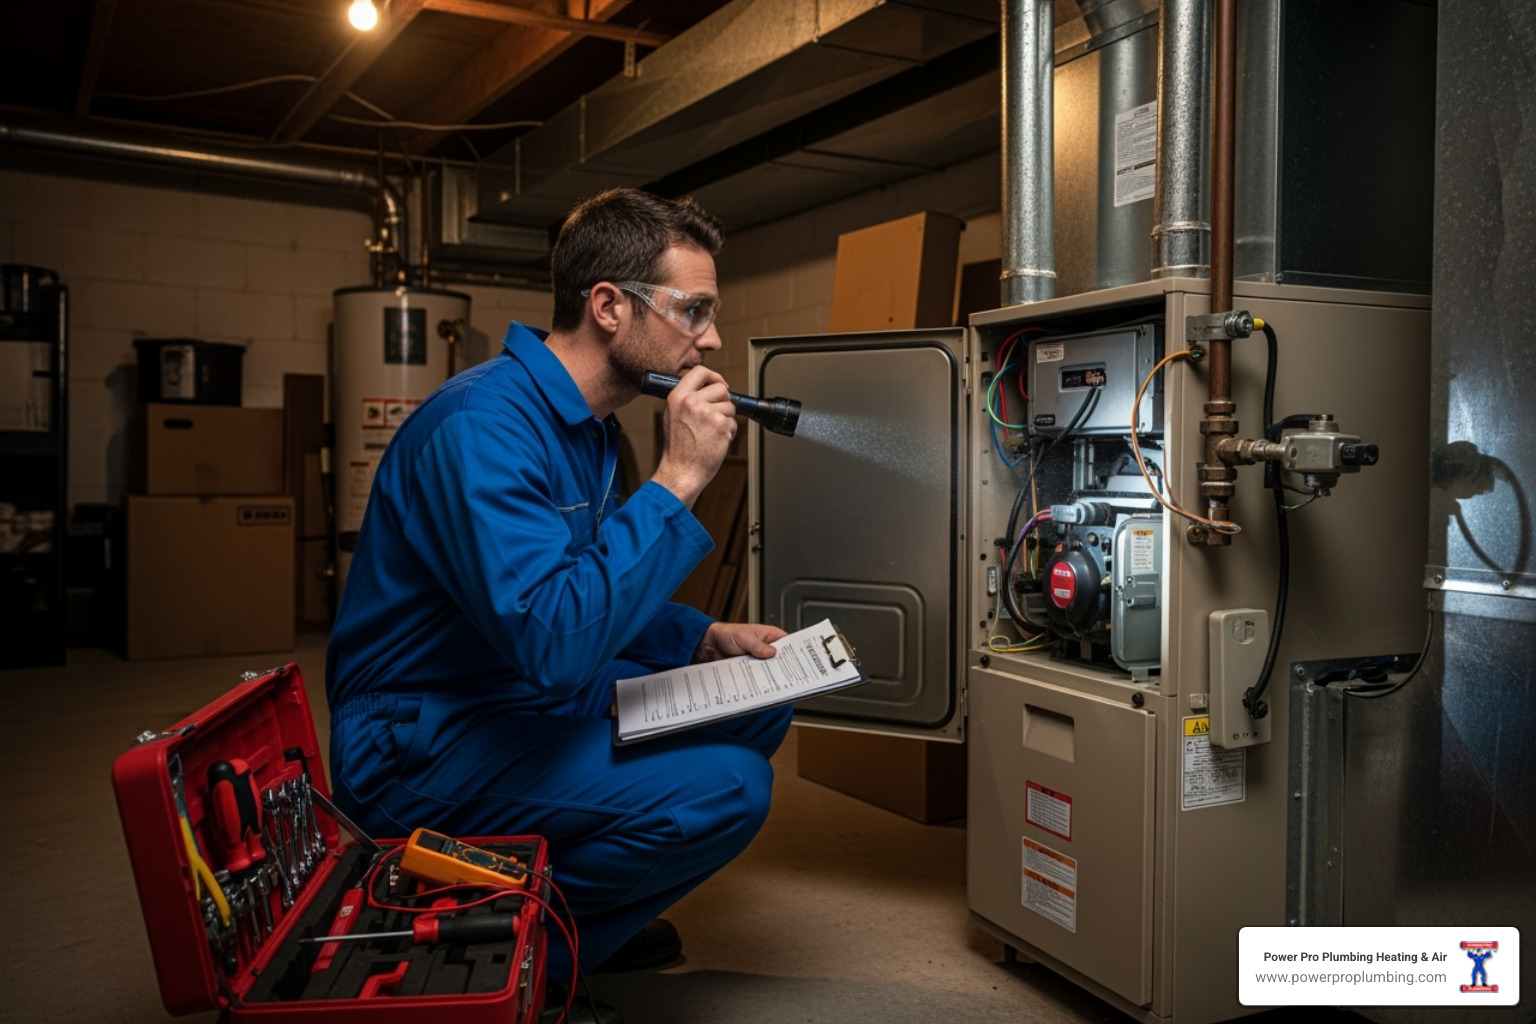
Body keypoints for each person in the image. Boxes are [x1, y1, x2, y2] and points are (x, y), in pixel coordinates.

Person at [324, 187, 793, 1015]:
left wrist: (701, 637)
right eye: (694, 310)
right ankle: (515, 960)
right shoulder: (482, 428)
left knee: (755, 699)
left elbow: (591, 584)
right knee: (727, 788)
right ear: (609, 306)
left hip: (517, 690)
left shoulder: (588, 428)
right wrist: (678, 479)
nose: (712, 339)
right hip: (422, 738)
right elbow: (555, 640)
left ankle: (577, 912)